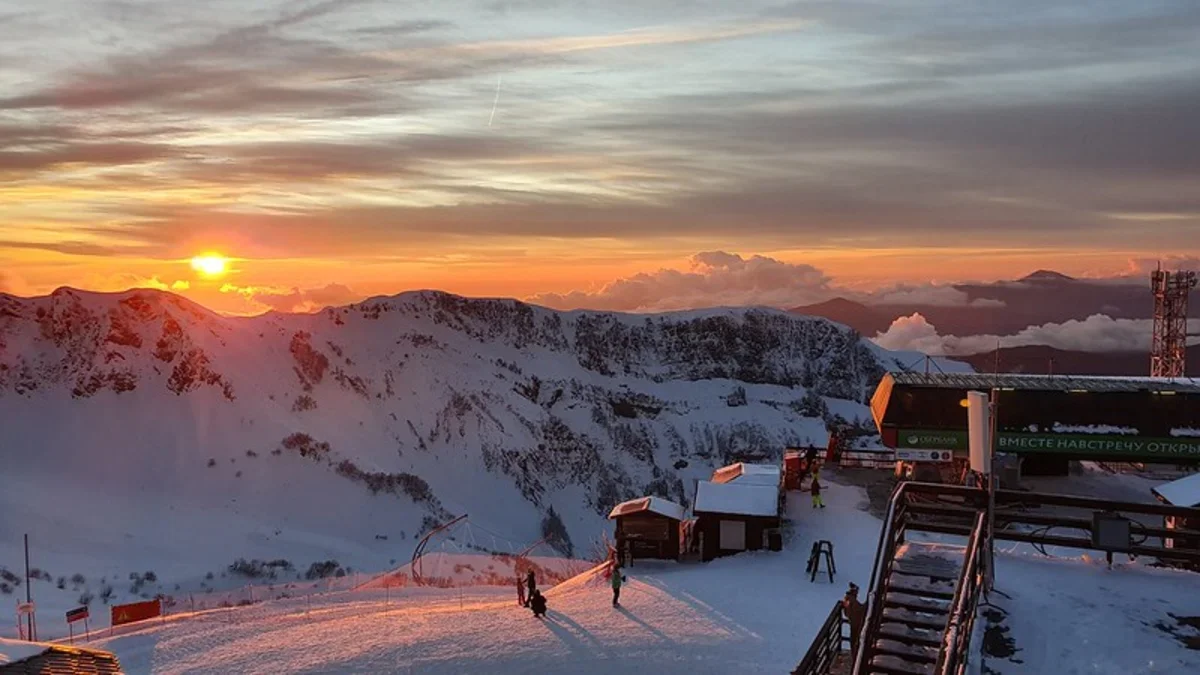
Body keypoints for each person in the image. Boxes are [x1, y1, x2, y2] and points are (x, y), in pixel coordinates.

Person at [842, 583, 866, 660]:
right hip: (856, 624)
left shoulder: (847, 599)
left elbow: (846, 613)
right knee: (855, 640)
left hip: (853, 623)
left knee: (853, 639)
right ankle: (855, 656)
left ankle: (854, 655)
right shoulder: (851, 600)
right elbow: (859, 609)